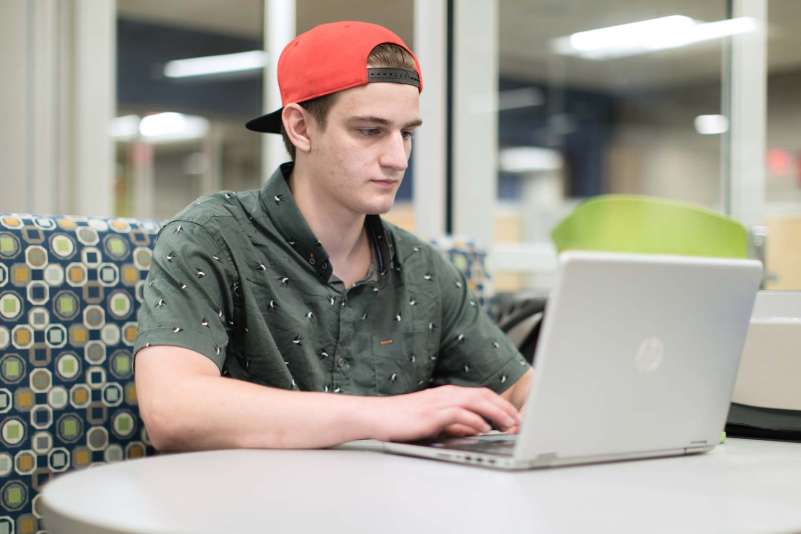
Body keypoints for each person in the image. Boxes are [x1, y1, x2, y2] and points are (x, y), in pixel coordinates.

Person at [133, 20, 533, 452]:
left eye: (407, 133)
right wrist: (393, 415)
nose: (397, 158)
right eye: (370, 130)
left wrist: (539, 413)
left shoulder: (426, 272)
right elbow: (173, 411)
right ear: (300, 128)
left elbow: (519, 391)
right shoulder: (211, 238)